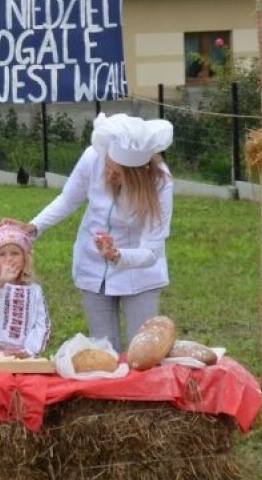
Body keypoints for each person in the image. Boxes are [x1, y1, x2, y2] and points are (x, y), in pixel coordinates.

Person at [27, 112, 174, 356]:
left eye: (117, 174)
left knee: (145, 351)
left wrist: (118, 256)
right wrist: (34, 226)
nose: (108, 176)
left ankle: (146, 393)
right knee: (104, 349)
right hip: (94, 267)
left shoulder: (161, 182)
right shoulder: (94, 156)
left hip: (140, 272)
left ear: (138, 174)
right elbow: (68, 199)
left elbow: (152, 250)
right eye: (108, 168)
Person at [0, 219, 50, 359]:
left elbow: (41, 324)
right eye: (1, 254)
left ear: (25, 258)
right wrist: (0, 282)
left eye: (15, 253)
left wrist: (29, 350)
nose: (9, 259)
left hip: (22, 354)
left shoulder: (34, 291)